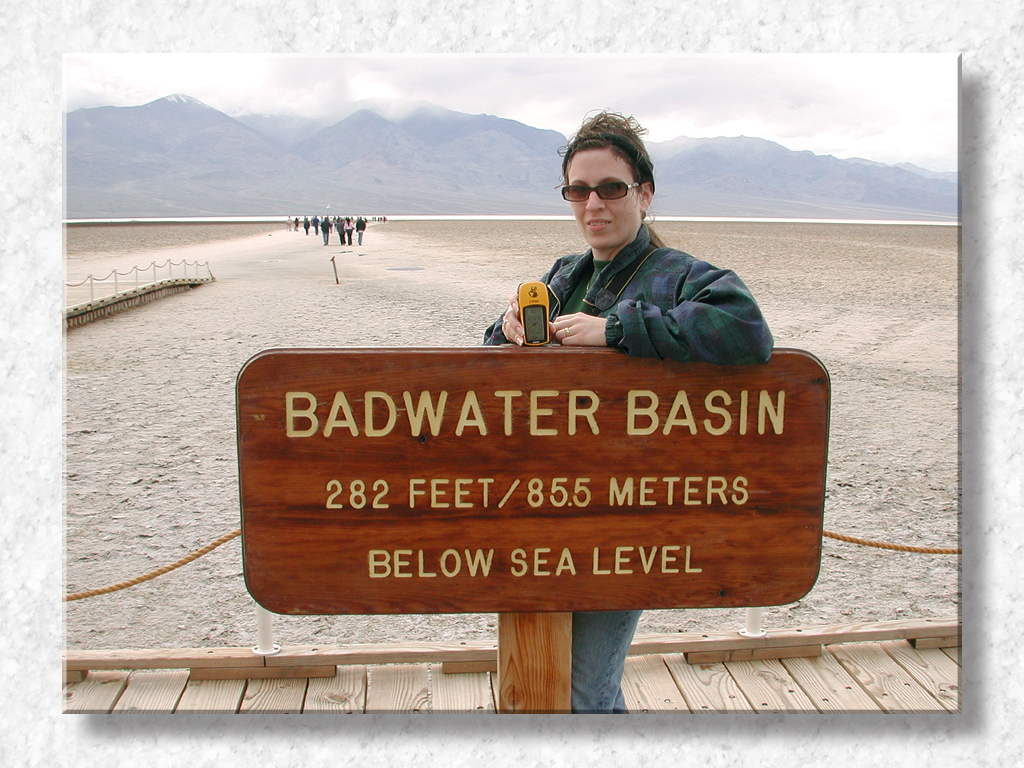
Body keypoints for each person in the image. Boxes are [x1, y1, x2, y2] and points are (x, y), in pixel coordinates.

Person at [483, 111, 773, 713]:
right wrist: (504, 329)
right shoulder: (565, 275)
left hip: (625, 519)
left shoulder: (681, 276)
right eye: (578, 190)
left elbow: (745, 330)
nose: (594, 204)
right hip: (544, 511)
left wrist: (616, 330)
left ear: (643, 193)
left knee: (586, 689)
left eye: (611, 187)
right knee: (542, 678)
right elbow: (497, 377)